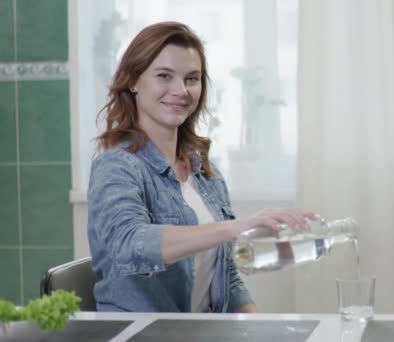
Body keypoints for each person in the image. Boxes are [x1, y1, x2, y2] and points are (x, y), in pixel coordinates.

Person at [87, 21, 315, 313]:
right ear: (133, 81)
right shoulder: (117, 165)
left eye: (192, 78)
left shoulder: (204, 172)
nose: (181, 90)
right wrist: (238, 226)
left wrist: (259, 328)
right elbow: (129, 245)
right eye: (164, 76)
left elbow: (227, 279)